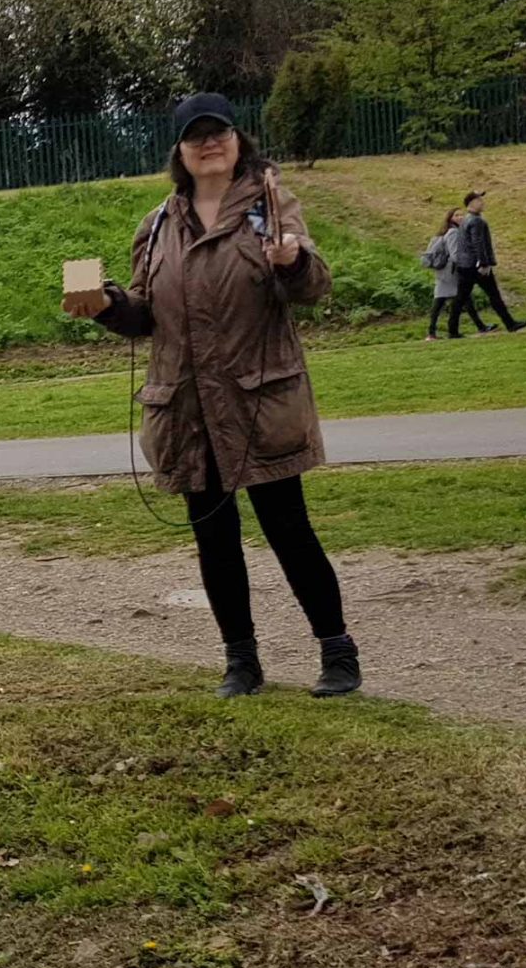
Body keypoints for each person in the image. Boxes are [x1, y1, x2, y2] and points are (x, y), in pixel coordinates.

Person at [61, 93, 360, 699]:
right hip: (189, 409)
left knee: (289, 530)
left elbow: (314, 286)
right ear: (180, 151)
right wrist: (107, 305)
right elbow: (147, 315)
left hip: (259, 401)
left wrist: (290, 260)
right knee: (214, 539)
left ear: (236, 138)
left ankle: (337, 653)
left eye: (217, 131)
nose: (208, 143)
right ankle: (241, 663)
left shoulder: (270, 203)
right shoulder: (159, 223)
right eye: (195, 136)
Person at [454, 190, 526, 334]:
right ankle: (510, 324)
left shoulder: (467, 219)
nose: (482, 203)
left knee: (461, 298)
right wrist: (483, 263)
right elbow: (478, 243)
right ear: (471, 203)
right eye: (479, 200)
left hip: (465, 264)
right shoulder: (476, 220)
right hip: (475, 266)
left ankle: (452, 330)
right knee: (493, 295)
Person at [425, 208, 491, 340]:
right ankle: (436, 333)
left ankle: (480, 326)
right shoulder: (454, 233)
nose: (461, 217)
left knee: (446, 300)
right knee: (448, 300)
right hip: (451, 272)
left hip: (445, 272)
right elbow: (455, 254)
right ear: (450, 218)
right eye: (457, 215)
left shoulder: (450, 232)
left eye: (462, 215)